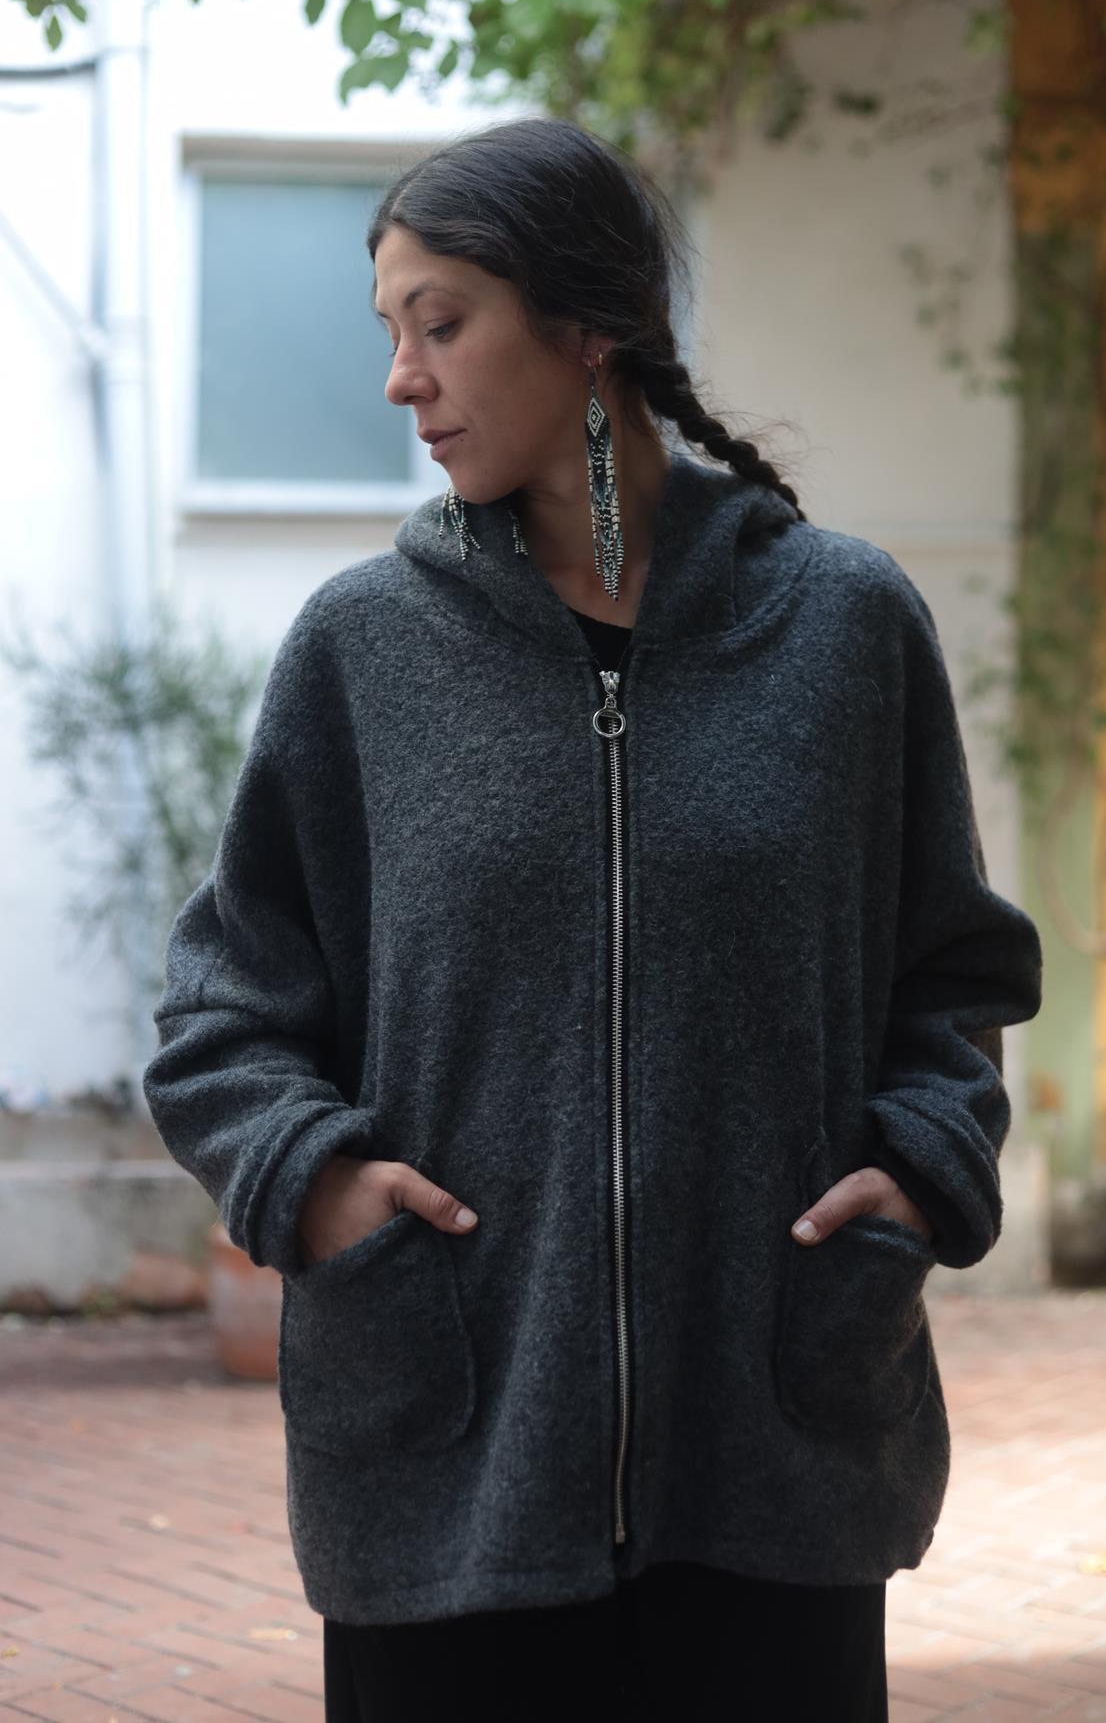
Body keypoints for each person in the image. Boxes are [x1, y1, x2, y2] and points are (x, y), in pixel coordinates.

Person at [142, 115, 1043, 1721]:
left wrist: (918, 1172)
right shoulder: (366, 653)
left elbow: (953, 977)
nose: (403, 379)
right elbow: (224, 1013)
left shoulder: (842, 631)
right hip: (451, 1454)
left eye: (442, 323)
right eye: (391, 330)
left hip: (774, 1444)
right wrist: (320, 1184)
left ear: (588, 325)